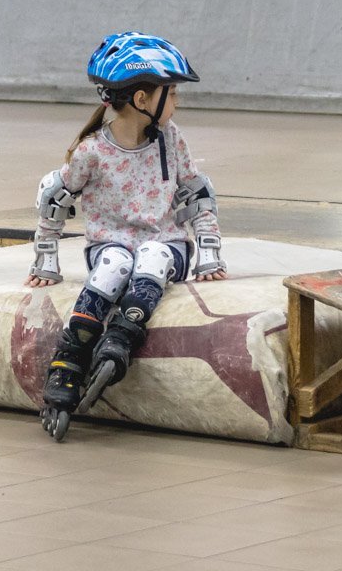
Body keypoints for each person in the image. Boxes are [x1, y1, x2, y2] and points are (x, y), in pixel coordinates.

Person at [27, 32, 227, 441]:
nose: (177, 102)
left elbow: (196, 192)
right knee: (114, 264)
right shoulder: (91, 151)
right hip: (110, 244)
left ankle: (120, 338)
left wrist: (209, 252)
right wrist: (46, 259)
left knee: (152, 253)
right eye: (171, 94)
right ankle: (69, 358)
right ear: (141, 100)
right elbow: (55, 196)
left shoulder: (171, 139)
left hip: (166, 244)